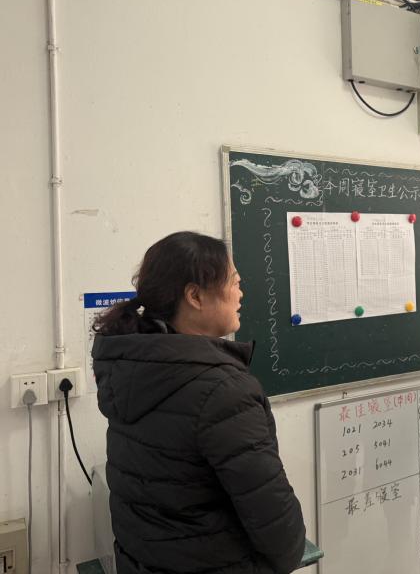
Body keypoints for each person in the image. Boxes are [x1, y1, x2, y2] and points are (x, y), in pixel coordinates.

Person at [92, 231, 306, 574]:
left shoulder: (130, 366)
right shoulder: (223, 391)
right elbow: (277, 525)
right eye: (234, 282)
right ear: (195, 296)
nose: (240, 293)